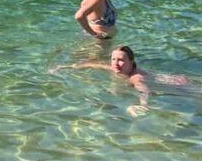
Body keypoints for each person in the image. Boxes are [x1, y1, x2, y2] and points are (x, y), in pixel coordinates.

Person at [55, 45, 188, 116]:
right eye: (113, 59)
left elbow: (144, 91)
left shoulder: (135, 77)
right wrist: (65, 67)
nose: (116, 63)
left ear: (131, 62)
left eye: (121, 60)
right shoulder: (114, 68)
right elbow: (92, 64)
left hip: (180, 85)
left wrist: (143, 105)